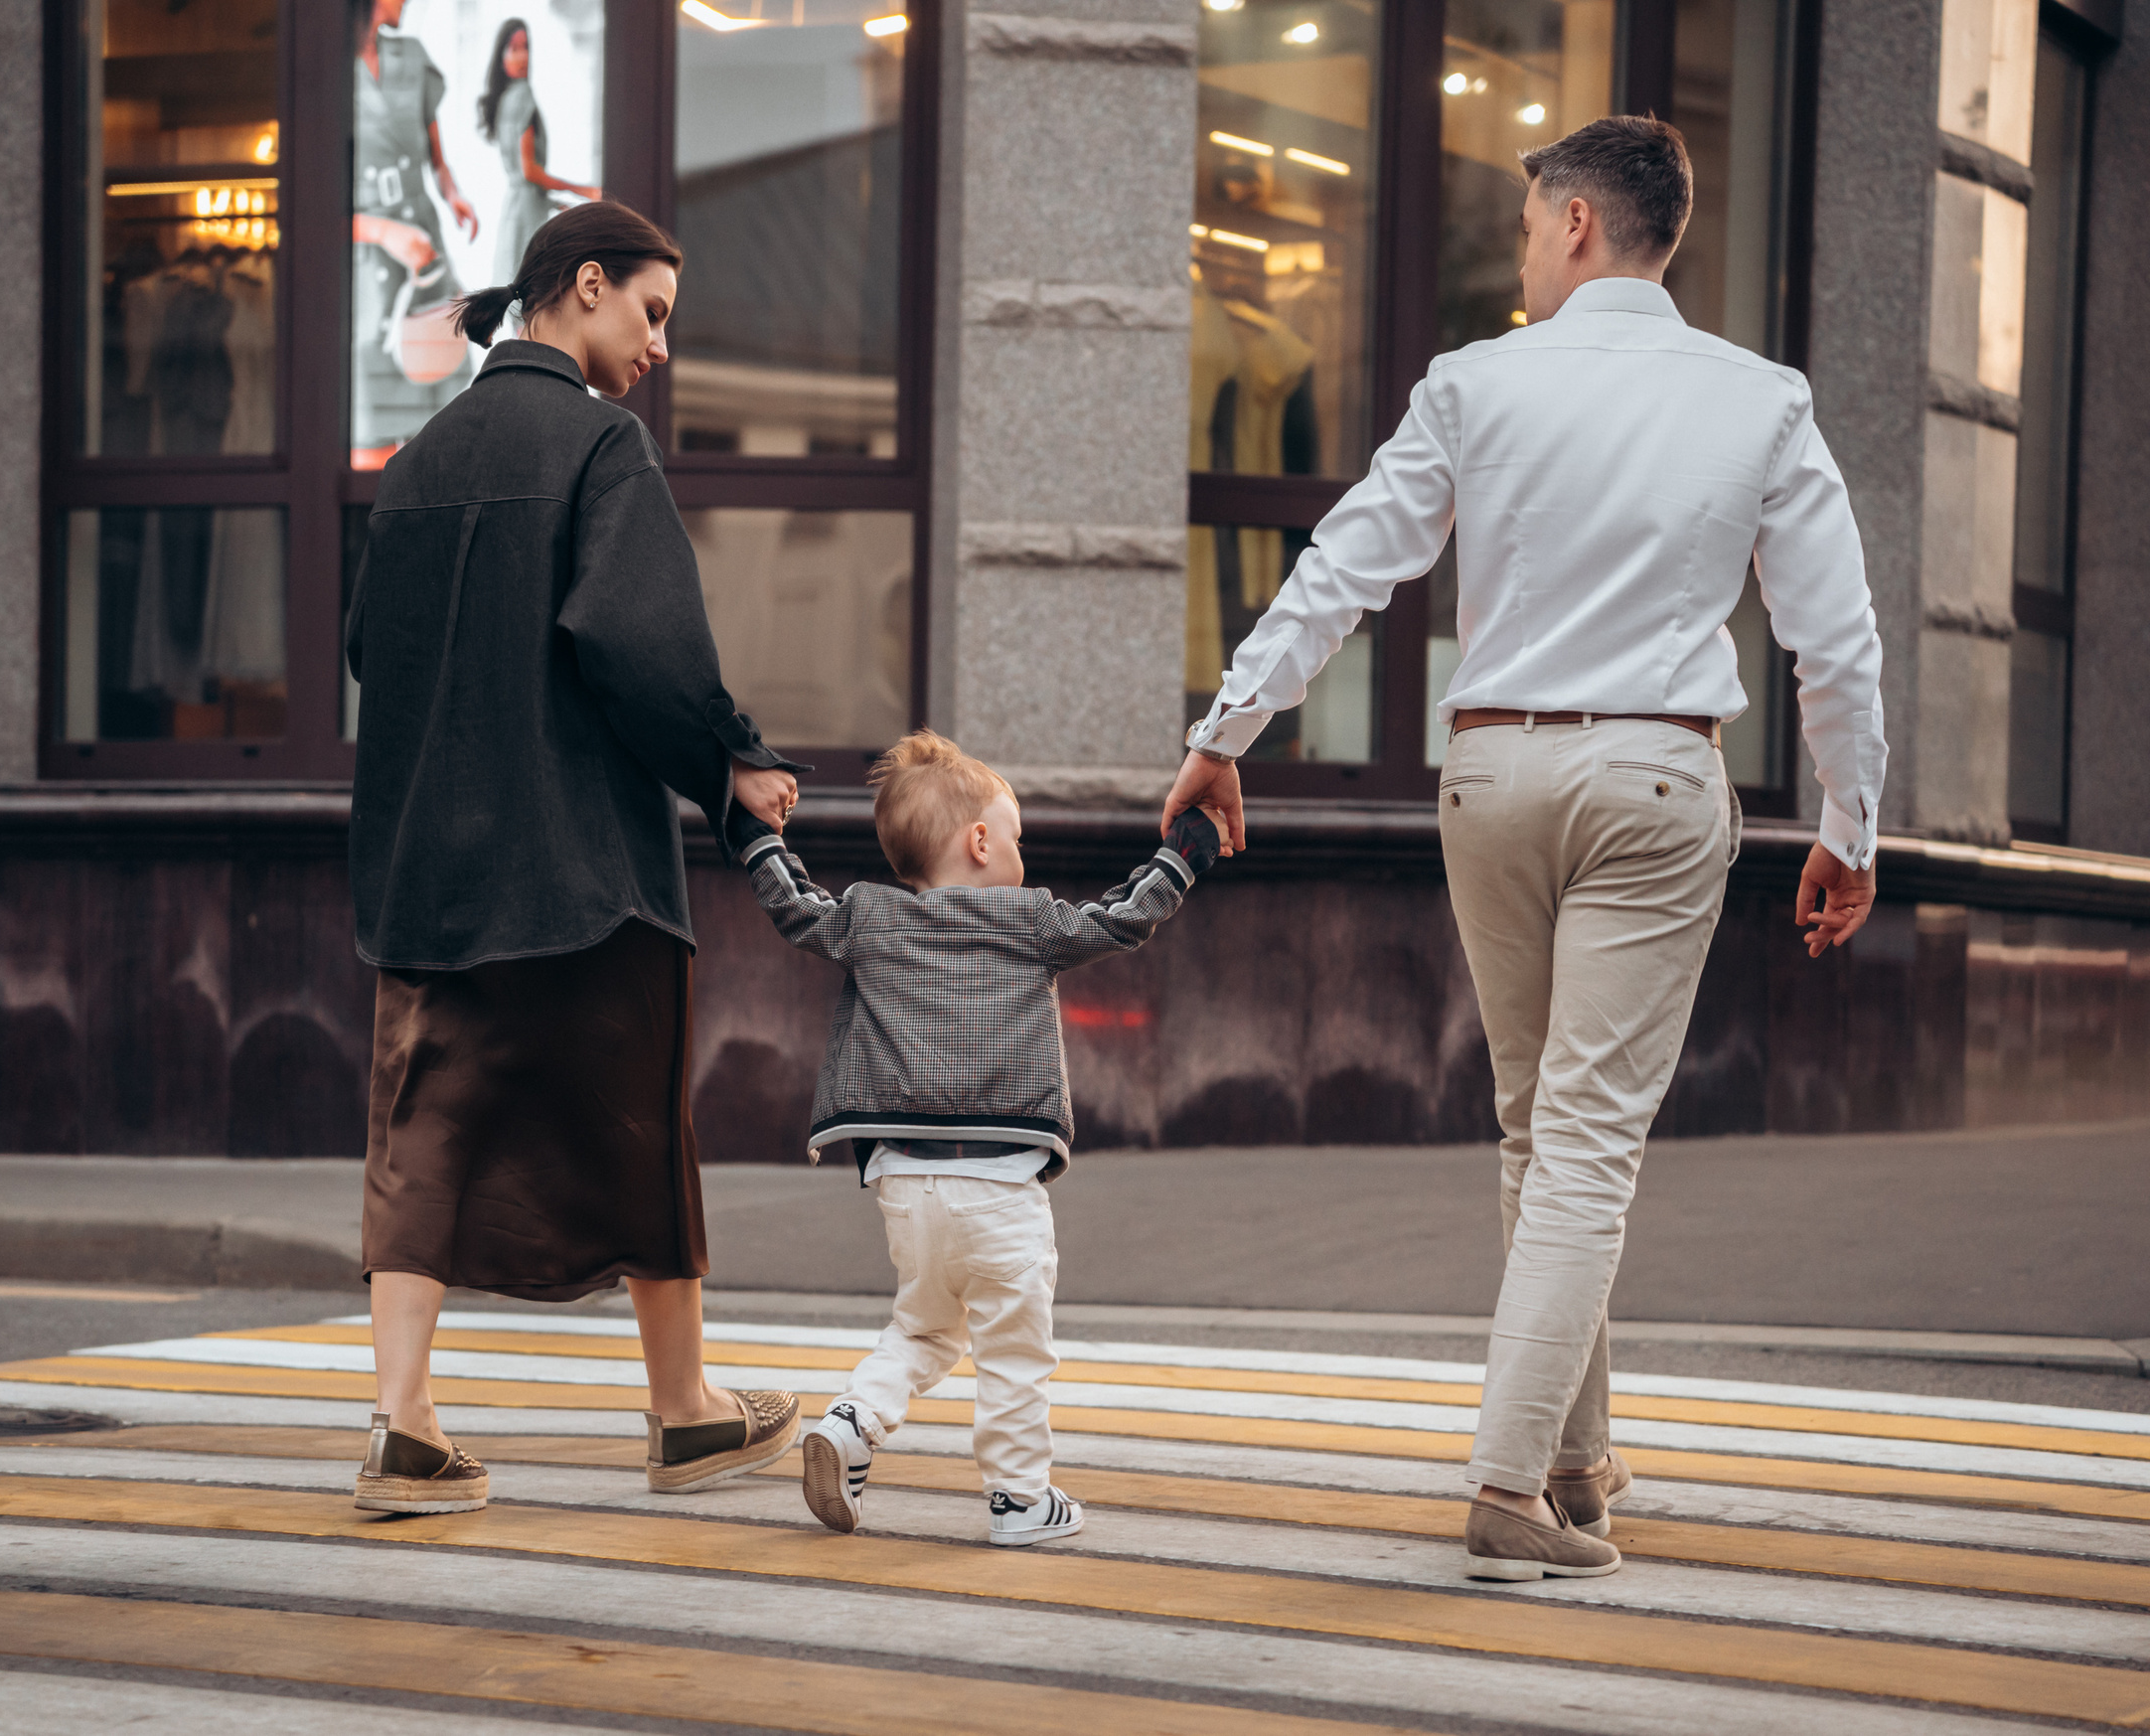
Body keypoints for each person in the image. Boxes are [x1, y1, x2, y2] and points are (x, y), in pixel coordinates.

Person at [1163, 116, 1885, 1582]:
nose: (1516, 254)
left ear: (1575, 225)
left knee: (1537, 1129)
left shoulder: (1473, 385)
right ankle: (1506, 1476)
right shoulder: (1761, 402)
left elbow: (1347, 563)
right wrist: (1850, 823)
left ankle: (1573, 1458)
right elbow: (1836, 639)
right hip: (1654, 777)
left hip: (1488, 770)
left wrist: (1228, 727)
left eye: (1523, 222)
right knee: (1589, 1141)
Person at [345, 201, 806, 1514]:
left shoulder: (422, 457)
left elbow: (373, 652)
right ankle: (685, 1412)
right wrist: (733, 760)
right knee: (638, 1120)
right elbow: (641, 647)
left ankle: (403, 1425)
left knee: (421, 1126)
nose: (659, 345)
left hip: (428, 868)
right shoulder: (604, 445)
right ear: (585, 285)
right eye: (651, 312)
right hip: (582, 862)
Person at [735, 729, 1221, 1545]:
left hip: (906, 1187)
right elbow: (1122, 919)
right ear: (982, 841)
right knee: (1013, 1347)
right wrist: (1183, 855)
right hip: (1001, 1187)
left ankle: (853, 1421)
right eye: (1018, 837)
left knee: (922, 1327)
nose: (1023, 855)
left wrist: (753, 833)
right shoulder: (1030, 920)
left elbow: (795, 907)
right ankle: (1021, 1499)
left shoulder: (867, 916)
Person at [351, 0, 480, 469]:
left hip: (426, 247)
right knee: (373, 443)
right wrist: (381, 231)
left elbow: (435, 155)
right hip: (367, 265)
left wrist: (453, 194)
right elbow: (309, 198)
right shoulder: (325, 65)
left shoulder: (412, 55)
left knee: (448, 422)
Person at [480, 20, 598, 285]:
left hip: (517, 209)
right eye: (513, 48)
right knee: (530, 295)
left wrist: (555, 203)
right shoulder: (522, 97)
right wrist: (583, 190)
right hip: (526, 213)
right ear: (501, 58)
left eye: (526, 47)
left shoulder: (506, 99)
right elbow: (530, 171)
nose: (522, 56)